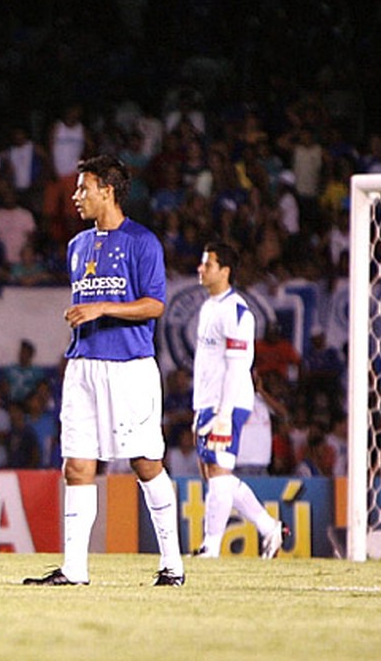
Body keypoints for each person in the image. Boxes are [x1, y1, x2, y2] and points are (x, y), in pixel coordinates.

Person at [23, 155, 184, 587]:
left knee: (145, 462)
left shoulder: (142, 241)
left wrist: (103, 307)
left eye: (83, 189)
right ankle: (74, 569)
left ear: (107, 191)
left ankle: (173, 564)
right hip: (83, 366)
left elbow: (154, 304)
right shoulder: (77, 246)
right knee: (76, 466)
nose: (76, 197)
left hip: (129, 366)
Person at [192, 241, 288, 559]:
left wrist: (223, 412)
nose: (201, 269)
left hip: (227, 403)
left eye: (208, 264)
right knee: (214, 473)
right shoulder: (209, 306)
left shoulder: (237, 312)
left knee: (219, 472)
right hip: (207, 401)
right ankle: (268, 527)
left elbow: (238, 366)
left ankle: (211, 548)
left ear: (225, 271)